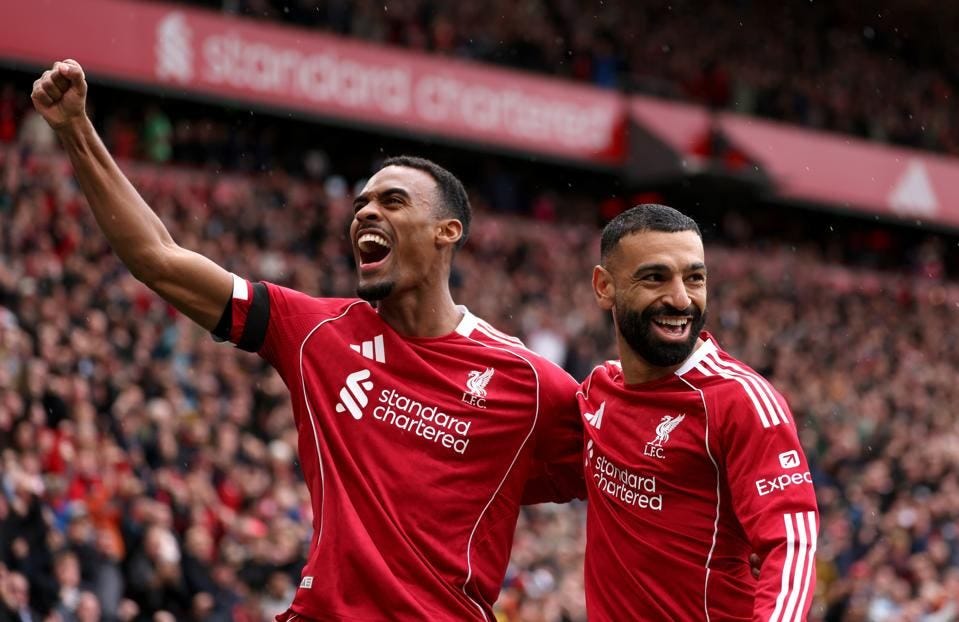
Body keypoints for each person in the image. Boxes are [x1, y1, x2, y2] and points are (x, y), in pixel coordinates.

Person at [31, 60, 583, 621]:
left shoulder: (529, 382)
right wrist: (77, 128)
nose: (366, 212)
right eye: (360, 205)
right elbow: (159, 260)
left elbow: (630, 474)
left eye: (392, 202)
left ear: (448, 231)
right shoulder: (316, 332)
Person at [579, 204, 819, 620]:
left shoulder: (740, 400)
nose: (680, 298)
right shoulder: (597, 391)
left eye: (695, 278)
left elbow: (792, 542)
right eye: (655, 277)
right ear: (604, 287)